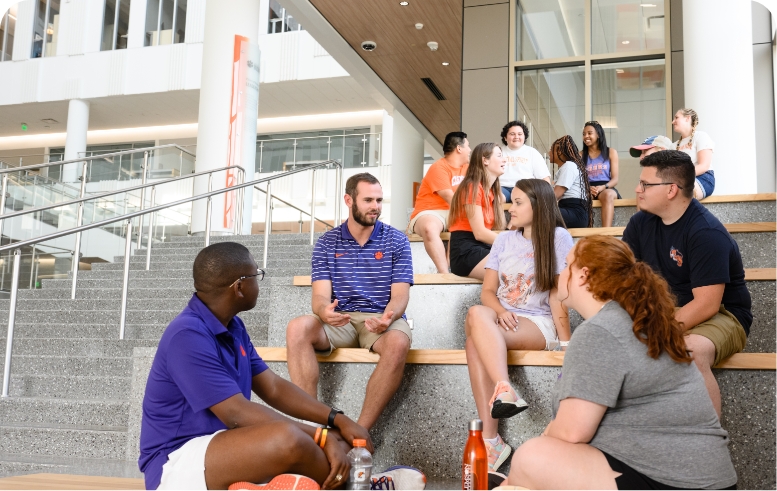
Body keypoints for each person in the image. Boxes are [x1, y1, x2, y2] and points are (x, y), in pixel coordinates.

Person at [505, 235, 738, 490]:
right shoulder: (631, 321)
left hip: (675, 481)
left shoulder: (602, 330)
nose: (559, 274)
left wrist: (544, 442)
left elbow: (572, 432)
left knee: (532, 457)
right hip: (700, 480)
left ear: (582, 275)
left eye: (566, 265)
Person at [139, 242, 372, 490]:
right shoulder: (187, 335)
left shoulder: (233, 326)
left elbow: (273, 387)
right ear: (239, 287)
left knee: (347, 439)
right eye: (256, 274)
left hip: (223, 445)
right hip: (175, 461)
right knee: (288, 439)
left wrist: (336, 419)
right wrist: (319, 436)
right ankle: (360, 485)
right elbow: (236, 413)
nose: (259, 282)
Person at [622, 150, 751, 418]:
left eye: (646, 184)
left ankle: (708, 448)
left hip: (722, 314)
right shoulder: (639, 223)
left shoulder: (706, 232)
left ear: (671, 190)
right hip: (666, 310)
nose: (637, 189)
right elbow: (623, 279)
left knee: (688, 352)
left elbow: (707, 304)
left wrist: (656, 335)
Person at [286, 173, 415, 432]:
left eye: (379, 200)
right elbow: (320, 296)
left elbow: (400, 295)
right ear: (349, 200)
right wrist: (324, 311)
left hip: (380, 318)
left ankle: (358, 433)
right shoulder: (326, 242)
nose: (375, 206)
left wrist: (389, 316)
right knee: (297, 327)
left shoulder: (396, 239)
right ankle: (309, 427)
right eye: (368, 200)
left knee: (399, 342)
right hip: (340, 321)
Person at [464, 179, 573, 477]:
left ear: (539, 206)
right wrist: (500, 312)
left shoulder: (558, 237)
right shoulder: (503, 240)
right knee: (477, 316)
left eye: (519, 202)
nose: (511, 208)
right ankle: (504, 391)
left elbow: (557, 294)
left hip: (538, 323)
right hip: (501, 320)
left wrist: (566, 344)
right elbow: (488, 291)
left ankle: (491, 438)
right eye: (512, 201)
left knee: (475, 334)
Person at [407, 131, 471, 273]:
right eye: (468, 146)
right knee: (429, 228)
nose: (470, 150)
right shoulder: (438, 167)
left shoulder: (469, 169)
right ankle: (444, 274)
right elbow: (450, 198)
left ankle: (451, 266)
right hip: (431, 211)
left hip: (456, 212)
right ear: (459, 148)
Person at [447, 142, 506, 280]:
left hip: (481, 247)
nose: (504, 160)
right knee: (514, 272)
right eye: (499, 155)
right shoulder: (472, 187)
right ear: (485, 160)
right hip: (465, 251)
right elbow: (479, 233)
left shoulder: (491, 192)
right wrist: (514, 243)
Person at [499, 121, 551, 203]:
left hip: (525, 188)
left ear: (524, 137)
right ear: (505, 137)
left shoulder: (532, 152)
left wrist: (547, 196)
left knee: (523, 199)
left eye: (520, 134)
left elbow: (544, 178)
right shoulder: (498, 152)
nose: (516, 137)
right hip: (502, 187)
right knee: (496, 198)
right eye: (512, 134)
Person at [581, 121, 620, 227]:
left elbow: (615, 179)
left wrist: (603, 187)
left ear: (598, 134)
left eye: (589, 133)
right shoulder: (580, 155)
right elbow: (577, 179)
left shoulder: (611, 152)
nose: (586, 136)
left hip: (606, 187)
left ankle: (605, 233)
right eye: (584, 134)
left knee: (608, 195)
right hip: (586, 188)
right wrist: (588, 189)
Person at [672, 108, 715, 199]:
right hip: (678, 181)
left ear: (687, 118)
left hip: (703, 178)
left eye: (676, 118)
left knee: (677, 191)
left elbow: (704, 165)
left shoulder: (701, 136)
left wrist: (681, 177)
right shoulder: (673, 145)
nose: (673, 121)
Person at [550, 135, 592, 228]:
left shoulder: (569, 166)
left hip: (575, 213)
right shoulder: (568, 167)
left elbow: (556, 195)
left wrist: (537, 202)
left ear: (559, 152)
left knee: (537, 211)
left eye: (551, 149)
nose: (549, 152)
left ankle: (512, 233)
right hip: (569, 210)